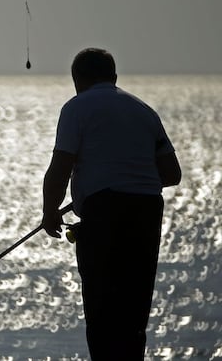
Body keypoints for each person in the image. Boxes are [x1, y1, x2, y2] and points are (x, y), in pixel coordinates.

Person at [40, 48, 181, 360]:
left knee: (102, 309)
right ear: (114, 77)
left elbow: (61, 166)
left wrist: (50, 212)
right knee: (134, 310)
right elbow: (172, 174)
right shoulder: (144, 111)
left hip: (103, 212)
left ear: (77, 80)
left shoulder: (76, 107)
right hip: (146, 212)